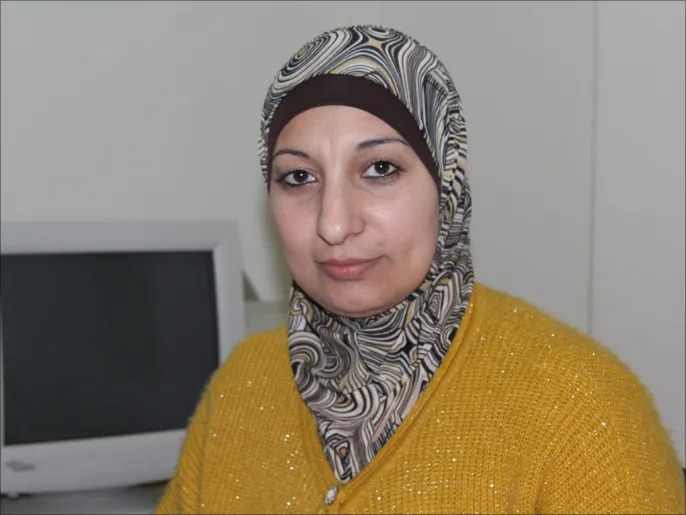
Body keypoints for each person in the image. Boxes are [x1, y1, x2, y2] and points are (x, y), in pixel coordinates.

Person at [156, 25, 685, 514]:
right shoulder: (240, 387)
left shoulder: (580, 409)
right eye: (298, 177)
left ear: (446, 187)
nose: (334, 224)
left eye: (380, 168)